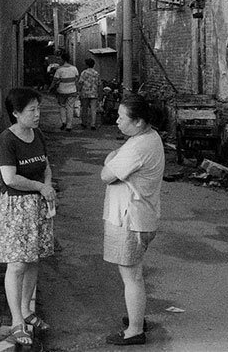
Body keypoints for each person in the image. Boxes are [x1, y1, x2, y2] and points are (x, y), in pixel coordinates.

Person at [100, 94, 165, 346]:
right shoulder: (149, 137)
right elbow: (116, 161)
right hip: (140, 217)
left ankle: (135, 330)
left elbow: (106, 173)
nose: (116, 121)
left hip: (129, 219)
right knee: (133, 274)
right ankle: (136, 318)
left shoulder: (138, 147)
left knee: (131, 277)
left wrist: (111, 160)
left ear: (138, 122)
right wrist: (115, 158)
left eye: (121, 117)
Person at [0, 87, 56, 346]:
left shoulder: (38, 134)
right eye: (32, 110)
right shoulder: (7, 140)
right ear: (16, 113)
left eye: (38, 109)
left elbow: (46, 166)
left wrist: (48, 185)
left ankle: (27, 311)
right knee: (18, 263)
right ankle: (16, 320)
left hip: (39, 206)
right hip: (16, 207)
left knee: (34, 260)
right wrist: (40, 187)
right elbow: (10, 178)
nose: (37, 114)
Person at [48, 51, 79, 131]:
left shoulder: (59, 70)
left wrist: (50, 88)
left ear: (63, 60)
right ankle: (69, 125)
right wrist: (77, 90)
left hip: (62, 91)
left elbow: (54, 81)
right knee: (70, 107)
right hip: (72, 91)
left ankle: (63, 122)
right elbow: (77, 80)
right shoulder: (74, 68)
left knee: (62, 106)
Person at [78, 58, 101, 130]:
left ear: (86, 65)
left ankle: (84, 123)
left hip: (85, 93)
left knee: (84, 108)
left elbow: (80, 83)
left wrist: (78, 91)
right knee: (93, 109)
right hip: (94, 93)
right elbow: (99, 84)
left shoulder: (84, 73)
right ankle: (93, 124)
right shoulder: (96, 73)